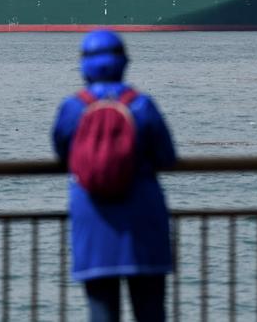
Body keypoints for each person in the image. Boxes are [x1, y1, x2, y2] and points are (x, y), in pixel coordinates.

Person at [52, 30, 177, 322]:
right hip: (144, 223)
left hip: (93, 221)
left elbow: (61, 153)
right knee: (151, 311)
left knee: (102, 312)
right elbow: (167, 156)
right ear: (124, 61)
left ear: (84, 65)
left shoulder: (73, 108)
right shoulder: (141, 105)